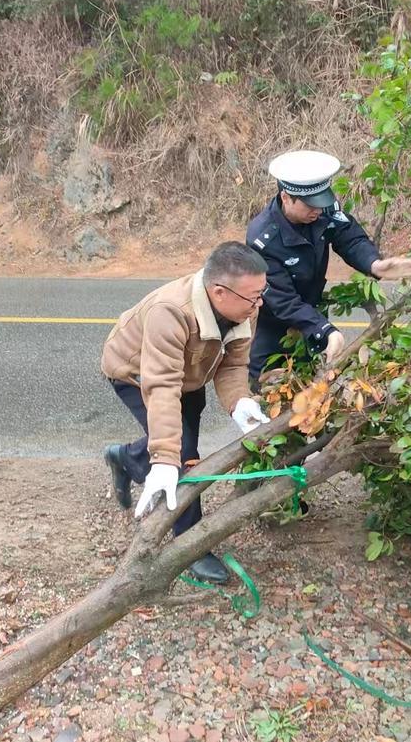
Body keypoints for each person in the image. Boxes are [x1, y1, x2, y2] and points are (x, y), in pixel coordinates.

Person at [101, 241, 270, 585]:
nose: (260, 304)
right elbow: (162, 387)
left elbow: (233, 363)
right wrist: (165, 458)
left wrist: (239, 402)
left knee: (180, 442)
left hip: (191, 374)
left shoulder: (244, 308)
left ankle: (126, 457)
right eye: (253, 297)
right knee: (181, 455)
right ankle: (190, 545)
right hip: (137, 374)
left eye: (261, 293)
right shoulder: (170, 312)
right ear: (219, 292)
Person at [246, 150, 411, 379]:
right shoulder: (262, 238)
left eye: (321, 202)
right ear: (286, 197)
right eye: (310, 205)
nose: (318, 210)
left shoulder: (324, 210)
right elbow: (283, 301)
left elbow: (349, 238)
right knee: (263, 386)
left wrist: (374, 264)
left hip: (314, 313)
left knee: (315, 385)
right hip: (275, 324)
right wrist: (325, 330)